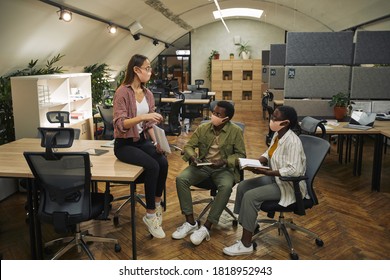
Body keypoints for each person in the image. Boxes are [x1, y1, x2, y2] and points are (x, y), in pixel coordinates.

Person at [223, 106, 307, 256]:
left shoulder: (293, 142)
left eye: (275, 118)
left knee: (251, 196)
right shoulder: (278, 135)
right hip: (276, 179)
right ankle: (249, 224)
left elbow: (295, 170)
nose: (271, 120)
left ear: (286, 123)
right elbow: (269, 154)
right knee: (243, 186)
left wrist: (268, 171)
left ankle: (246, 244)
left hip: (288, 184)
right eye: (272, 116)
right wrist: (256, 162)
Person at [172, 101, 246, 245]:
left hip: (224, 169)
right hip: (203, 166)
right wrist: (193, 156)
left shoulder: (235, 131)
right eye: (214, 112)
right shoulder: (203, 128)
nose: (214, 116)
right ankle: (190, 222)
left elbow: (241, 155)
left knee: (225, 187)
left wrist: (224, 161)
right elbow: (189, 146)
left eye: (218, 114)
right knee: (181, 179)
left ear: (227, 118)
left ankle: (206, 227)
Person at [113, 54, 168, 238]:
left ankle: (157, 205)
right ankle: (150, 215)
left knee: (163, 161)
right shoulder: (122, 92)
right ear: (136, 70)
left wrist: (156, 142)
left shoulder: (148, 94)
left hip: (142, 140)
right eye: (147, 68)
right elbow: (120, 124)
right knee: (152, 166)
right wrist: (144, 116)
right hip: (124, 144)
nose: (150, 72)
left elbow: (149, 125)